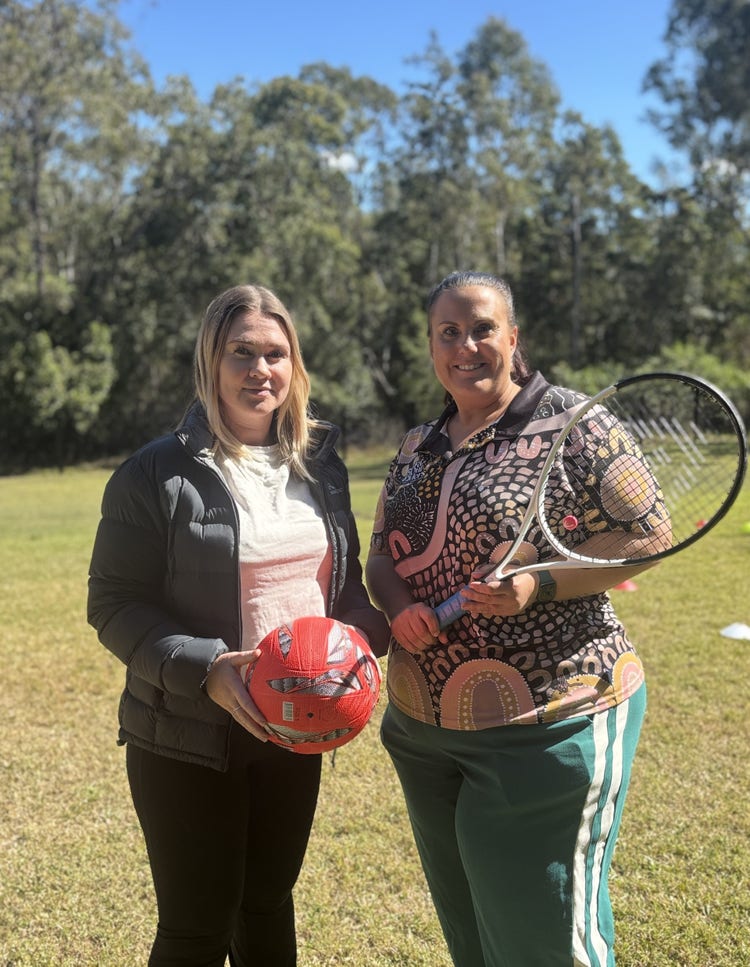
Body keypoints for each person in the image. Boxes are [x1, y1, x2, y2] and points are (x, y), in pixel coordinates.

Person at [88, 283, 389, 967]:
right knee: (198, 926)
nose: (261, 369)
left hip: (296, 726)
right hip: (189, 733)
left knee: (267, 905)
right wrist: (209, 670)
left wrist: (371, 635)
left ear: (295, 365)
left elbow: (345, 594)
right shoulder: (155, 472)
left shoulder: (320, 466)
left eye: (276, 353)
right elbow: (111, 602)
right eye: (241, 352)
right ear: (210, 363)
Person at [366, 271, 659, 967]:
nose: (465, 345)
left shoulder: (574, 420)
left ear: (513, 337)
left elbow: (647, 536)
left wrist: (539, 583)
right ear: (432, 345)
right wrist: (400, 608)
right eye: (449, 332)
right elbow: (380, 555)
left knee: (542, 943)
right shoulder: (417, 444)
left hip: (550, 723)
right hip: (422, 730)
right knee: (474, 935)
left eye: (482, 328)